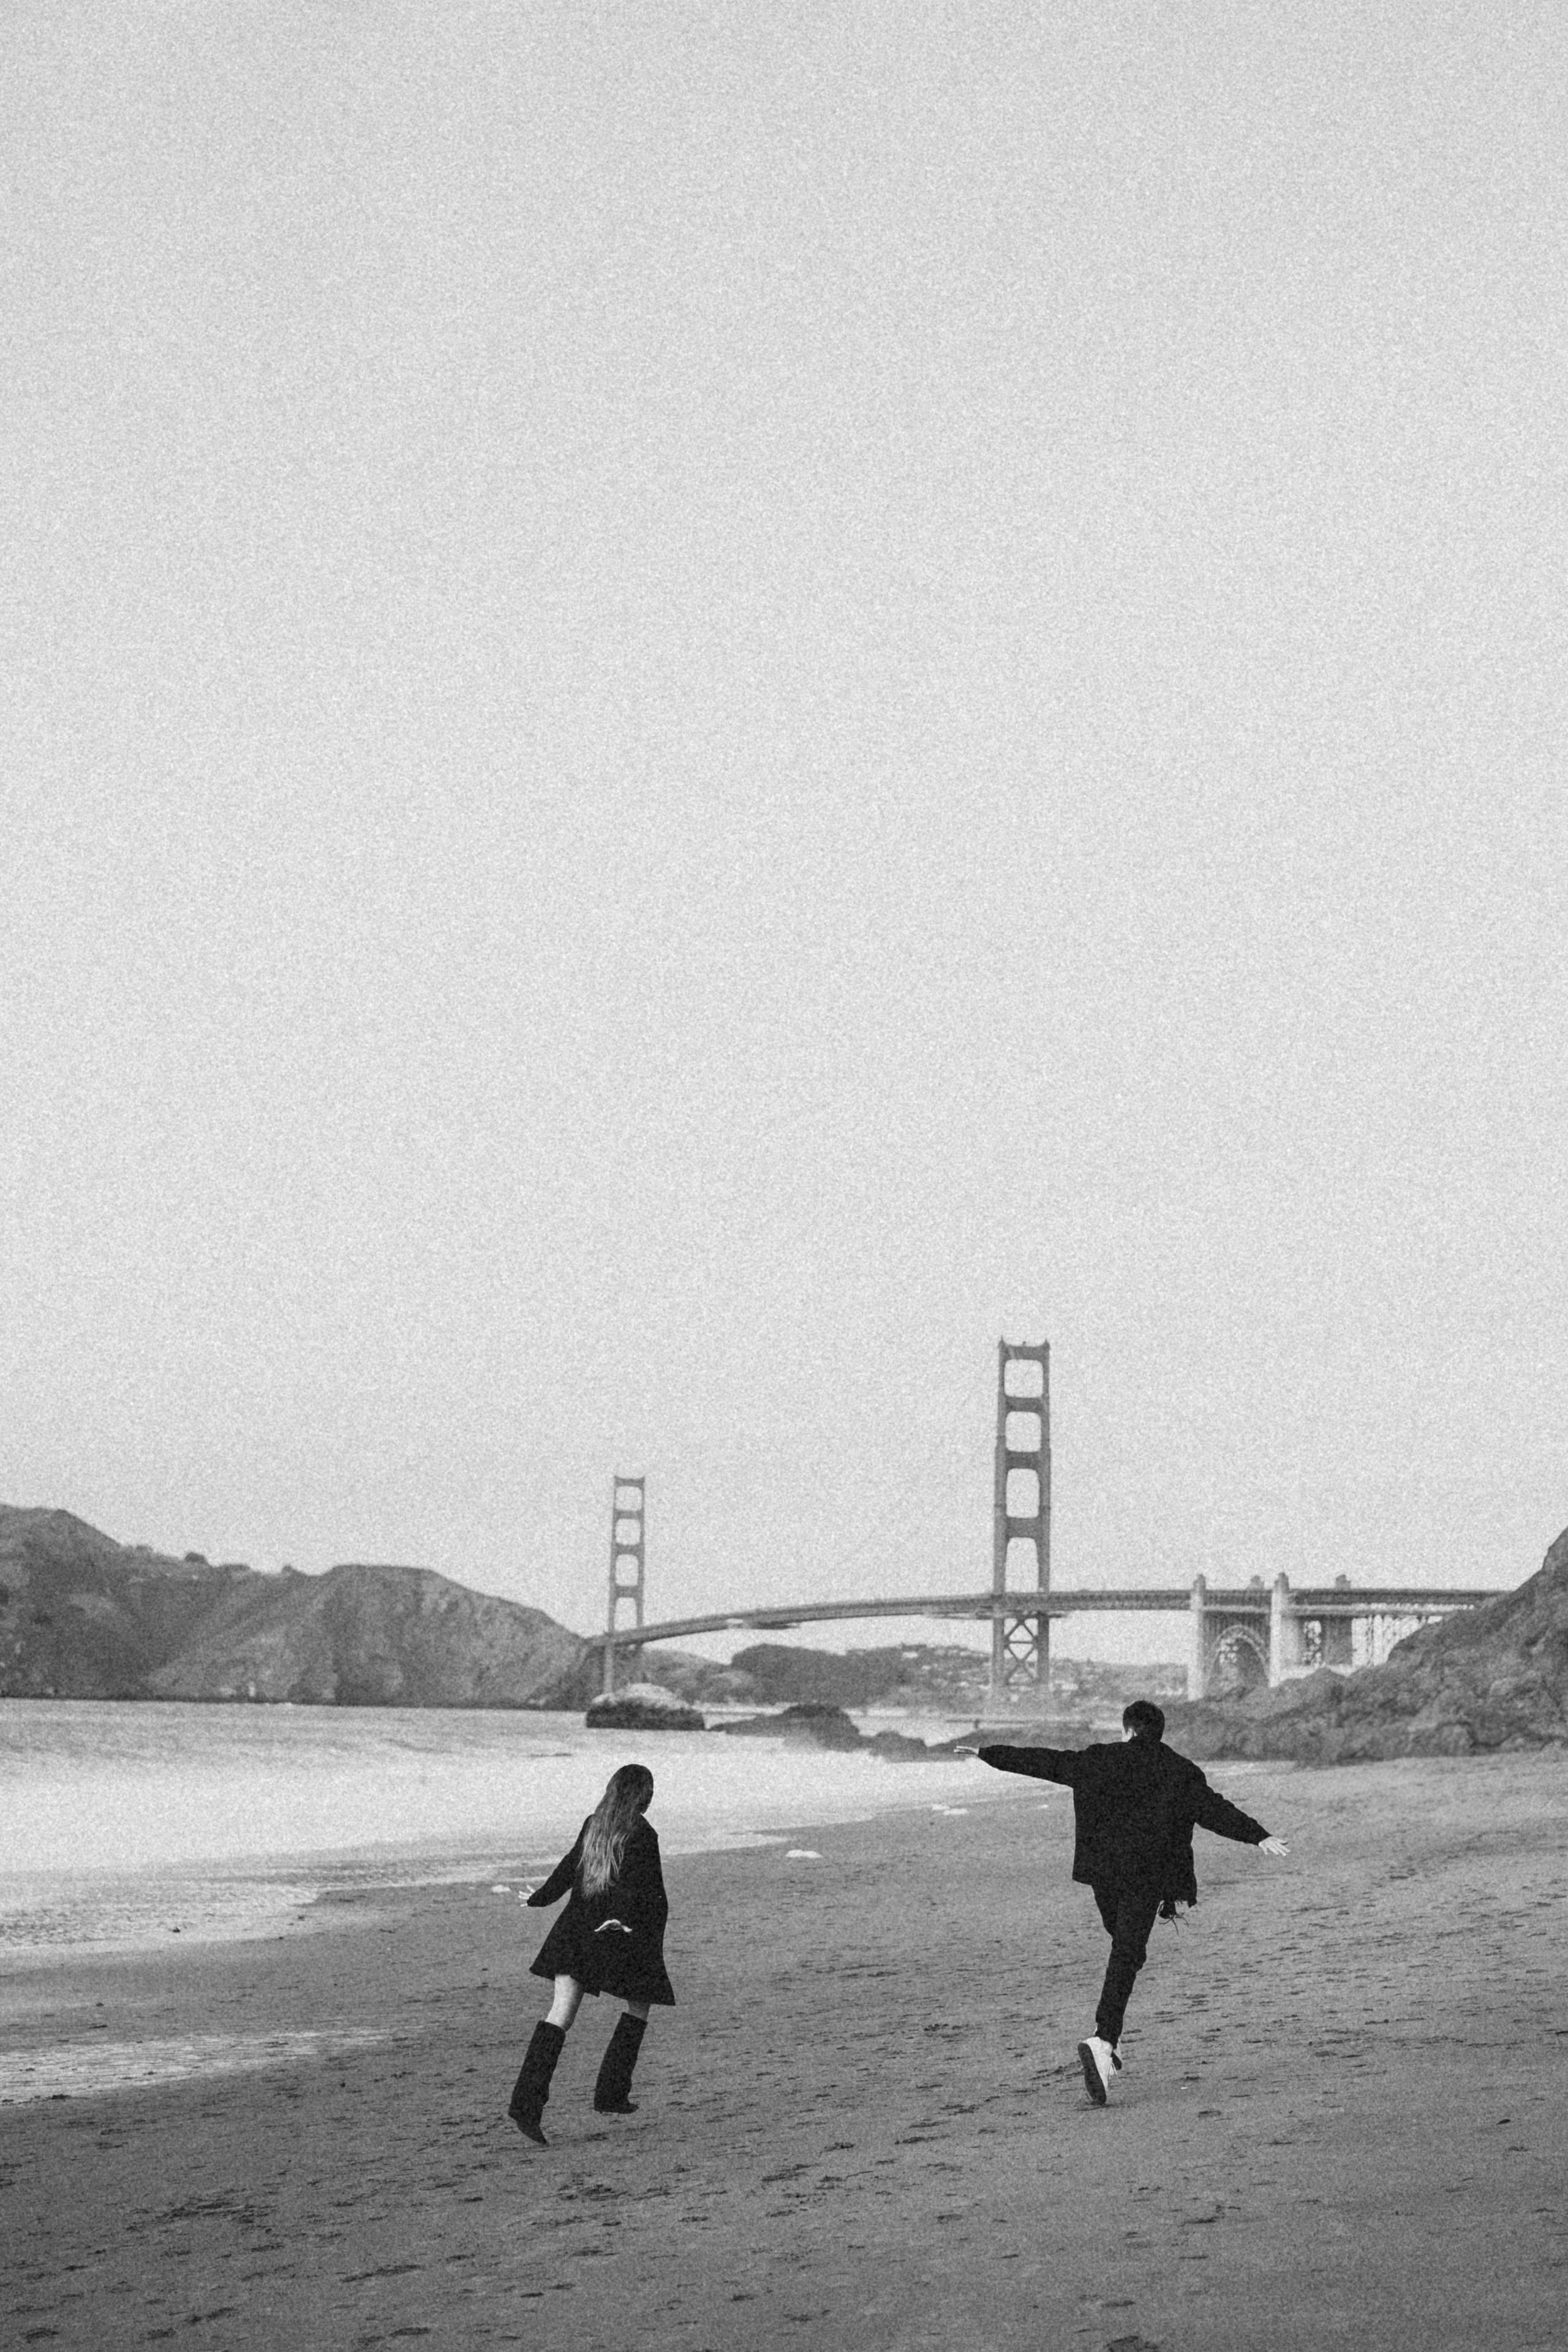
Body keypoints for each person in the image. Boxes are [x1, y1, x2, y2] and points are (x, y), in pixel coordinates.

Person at [976, 1699, 1289, 2105]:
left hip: (1103, 1874)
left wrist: (989, 1755)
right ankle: (1105, 2042)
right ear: (1159, 1732)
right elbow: (1214, 1811)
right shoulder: (1179, 1770)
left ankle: (1111, 2039)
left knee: (1124, 1950)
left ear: (1126, 1729)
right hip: (1148, 1877)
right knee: (1127, 1953)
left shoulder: (1098, 1760)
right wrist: (1258, 1835)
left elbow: (1044, 1762)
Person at [507, 1762, 676, 2146]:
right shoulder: (645, 1834)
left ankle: (526, 2106)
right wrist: (639, 1935)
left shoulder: (593, 1823)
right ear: (643, 1796)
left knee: (560, 2016)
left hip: (574, 1933)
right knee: (640, 2005)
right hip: (615, 1934)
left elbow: (569, 1870)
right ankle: (611, 2094)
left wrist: (539, 1899)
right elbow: (651, 1896)